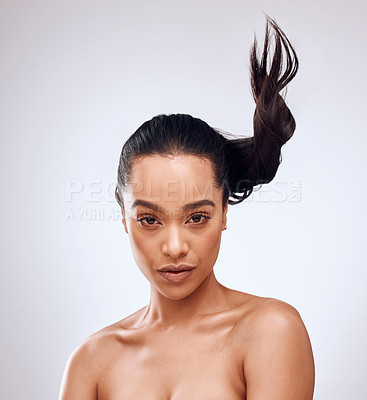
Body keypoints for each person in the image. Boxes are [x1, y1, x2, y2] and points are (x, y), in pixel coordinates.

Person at [59, 16, 315, 400]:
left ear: (224, 213)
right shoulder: (91, 363)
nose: (175, 246)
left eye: (197, 217)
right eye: (149, 219)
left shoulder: (270, 331)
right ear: (123, 219)